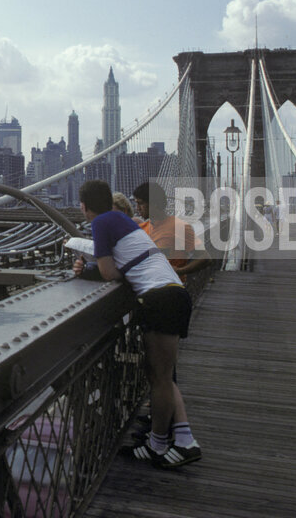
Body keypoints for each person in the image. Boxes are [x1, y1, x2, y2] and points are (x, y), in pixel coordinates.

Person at [67, 180, 202, 468]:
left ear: (83, 206)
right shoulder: (123, 220)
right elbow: (128, 261)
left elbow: (109, 272)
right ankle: (170, 440)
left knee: (161, 378)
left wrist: (86, 267)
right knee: (162, 376)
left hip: (161, 299)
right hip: (172, 294)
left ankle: (172, 444)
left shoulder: (101, 222)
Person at [132, 181, 210, 278]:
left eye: (140, 203)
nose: (137, 208)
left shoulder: (179, 227)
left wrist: (180, 271)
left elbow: (204, 257)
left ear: (154, 204)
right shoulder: (141, 229)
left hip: (170, 287)